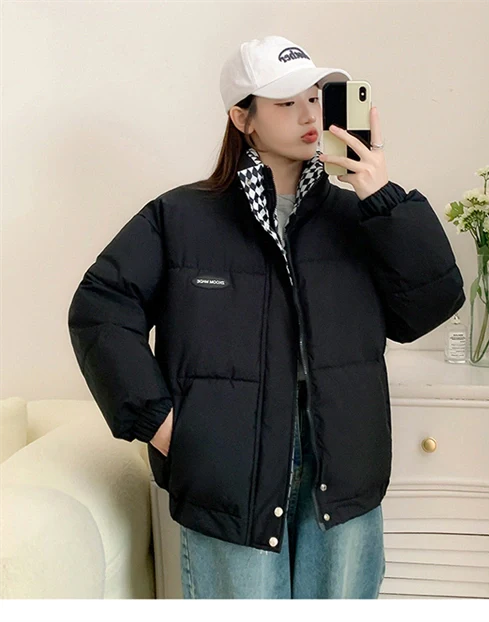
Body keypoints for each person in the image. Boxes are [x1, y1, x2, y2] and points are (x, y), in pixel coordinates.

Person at [68, 34, 466, 599]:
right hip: (229, 470)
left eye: (314, 99)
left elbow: (429, 306)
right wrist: (160, 423)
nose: (309, 115)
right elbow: (99, 309)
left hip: (342, 457)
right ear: (243, 118)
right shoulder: (180, 217)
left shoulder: (359, 215)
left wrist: (381, 196)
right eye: (286, 103)